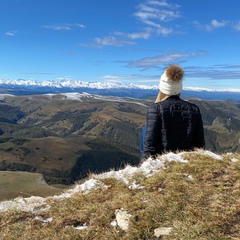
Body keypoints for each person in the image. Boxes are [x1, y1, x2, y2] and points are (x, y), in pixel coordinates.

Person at [142, 64, 205, 159]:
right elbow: (199, 144)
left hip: (162, 160)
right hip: (186, 160)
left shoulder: (155, 109)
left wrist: (145, 167)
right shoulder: (194, 109)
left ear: (162, 88)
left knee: (145, 129)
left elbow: (149, 145)